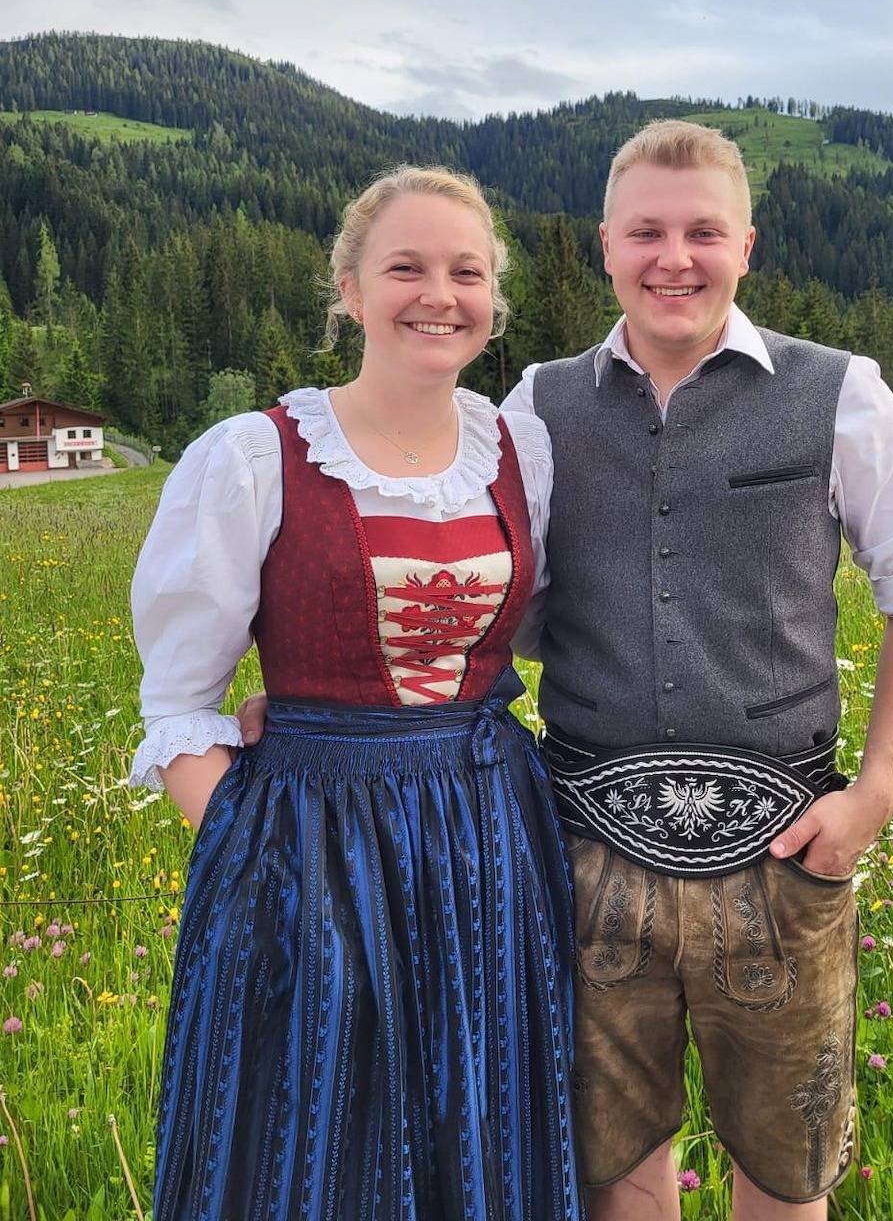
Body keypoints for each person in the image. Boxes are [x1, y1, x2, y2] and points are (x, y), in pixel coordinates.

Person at [497, 121, 893, 1220]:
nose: (675, 258)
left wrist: (881, 789)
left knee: (785, 1168)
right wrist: (333, 690)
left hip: (785, 851)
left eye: (702, 231)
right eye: (648, 232)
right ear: (605, 245)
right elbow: (481, 589)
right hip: (583, 848)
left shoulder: (841, 392)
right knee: (612, 1169)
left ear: (745, 245)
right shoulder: (538, 404)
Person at [128, 166, 584, 1221]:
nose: (440, 293)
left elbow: (544, 620)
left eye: (467, 272)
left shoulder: (521, 447)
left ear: (493, 298)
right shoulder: (253, 456)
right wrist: (250, 843)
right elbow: (181, 701)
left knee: (483, 1125)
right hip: (310, 835)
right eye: (406, 267)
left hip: (486, 832)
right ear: (349, 289)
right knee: (309, 1138)